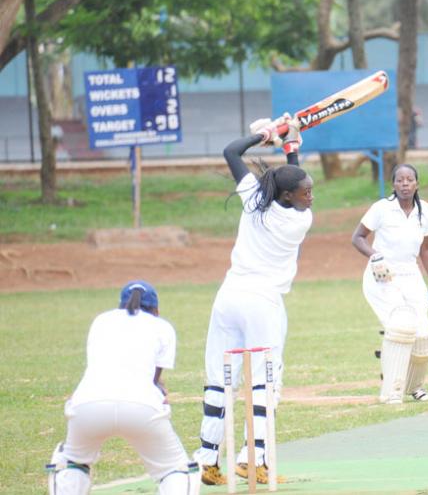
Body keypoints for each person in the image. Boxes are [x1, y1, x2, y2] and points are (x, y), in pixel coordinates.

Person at [194, 115, 312, 486]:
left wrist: (268, 136)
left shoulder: (252, 197)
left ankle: (206, 460)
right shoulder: (299, 221)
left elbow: (231, 151)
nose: (311, 195)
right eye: (307, 191)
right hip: (263, 302)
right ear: (291, 196)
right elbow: (296, 186)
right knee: (264, 383)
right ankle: (251, 458)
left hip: (228, 296)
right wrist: (288, 146)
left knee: (219, 379)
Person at [47, 281, 199, 494]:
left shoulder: (101, 320)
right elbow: (155, 380)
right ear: (156, 310)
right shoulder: (162, 327)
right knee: (176, 469)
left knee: (72, 462)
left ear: (121, 304)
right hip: (142, 407)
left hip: (88, 403)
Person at [351, 164, 428, 405]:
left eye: (410, 179)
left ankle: (415, 386)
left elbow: (426, 251)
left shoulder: (425, 211)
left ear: (417, 184)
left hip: (410, 274)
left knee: (422, 334)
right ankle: (391, 390)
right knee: (400, 327)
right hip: (382, 274)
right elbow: (357, 238)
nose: (405, 184)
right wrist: (375, 256)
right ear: (393, 184)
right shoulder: (382, 208)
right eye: (400, 180)